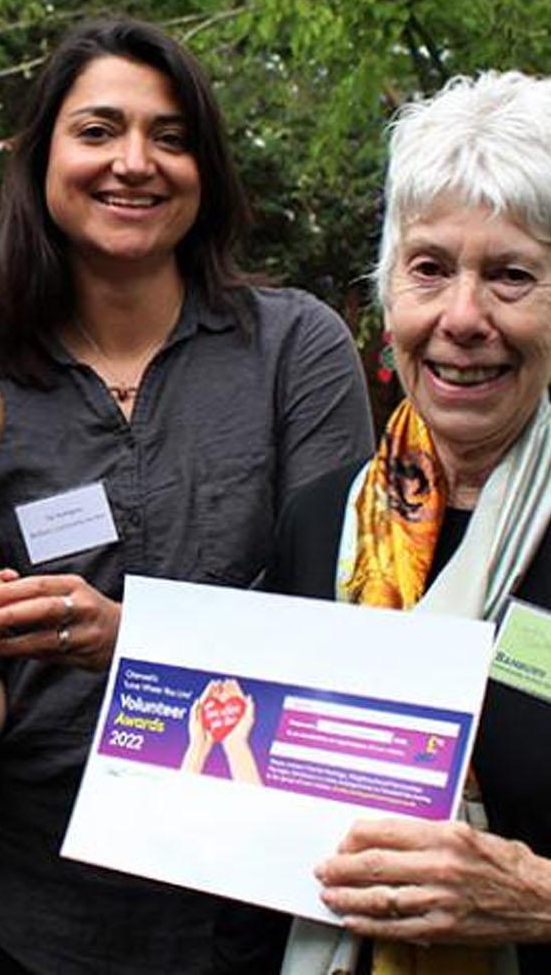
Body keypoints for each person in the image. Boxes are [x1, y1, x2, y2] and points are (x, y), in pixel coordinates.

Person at [0, 17, 375, 973]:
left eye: (171, 136)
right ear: (40, 159)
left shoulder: (294, 349)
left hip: (255, 897)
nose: (134, 163)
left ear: (207, 168)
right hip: (34, 906)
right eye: (98, 130)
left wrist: (132, 638)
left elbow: (341, 634)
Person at [268, 71, 551, 975]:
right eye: (429, 268)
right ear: (388, 293)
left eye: (512, 275)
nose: (462, 318)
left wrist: (538, 899)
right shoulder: (322, 523)